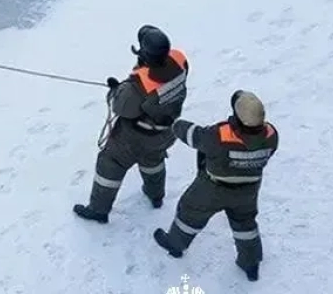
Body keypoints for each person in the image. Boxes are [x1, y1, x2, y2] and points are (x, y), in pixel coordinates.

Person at [152, 90, 277, 281]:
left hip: (212, 188)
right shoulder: (271, 135)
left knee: (189, 214)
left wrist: (175, 123)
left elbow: (193, 136)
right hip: (248, 190)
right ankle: (250, 263)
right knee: (245, 224)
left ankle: (175, 245)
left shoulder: (219, 136)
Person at [73, 25, 189, 223]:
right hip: (166, 131)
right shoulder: (180, 62)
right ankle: (156, 196)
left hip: (135, 138)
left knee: (110, 164)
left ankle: (99, 210)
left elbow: (122, 108)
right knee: (153, 162)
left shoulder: (139, 85)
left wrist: (115, 91)